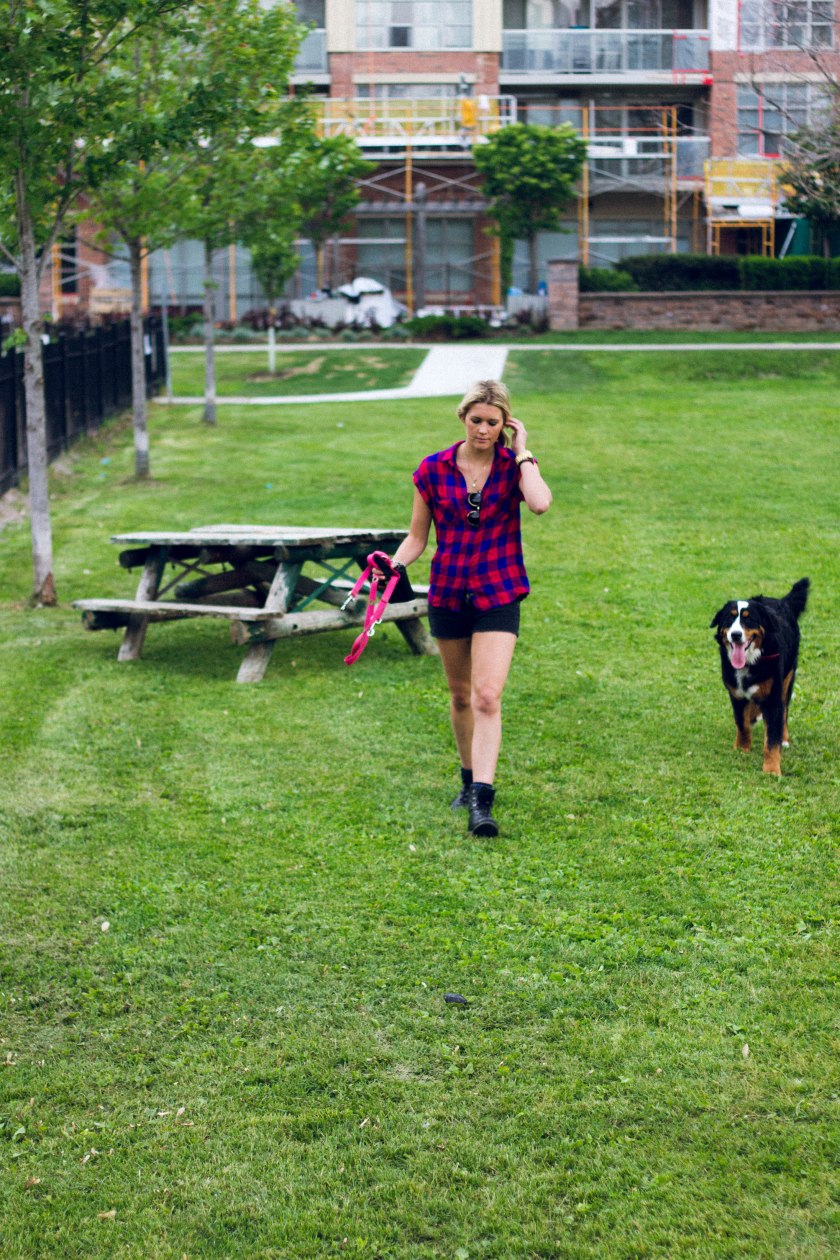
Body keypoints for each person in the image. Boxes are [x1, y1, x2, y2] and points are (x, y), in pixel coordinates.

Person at [384, 380, 552, 837]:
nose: (483, 429)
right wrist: (392, 564)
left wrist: (523, 452)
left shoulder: (512, 465)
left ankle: (483, 799)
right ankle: (465, 777)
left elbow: (539, 503)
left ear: (506, 425)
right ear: (463, 418)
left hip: (499, 591)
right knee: (460, 695)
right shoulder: (433, 469)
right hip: (449, 592)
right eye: (476, 420)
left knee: (487, 696)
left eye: (493, 423)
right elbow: (417, 537)